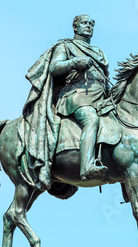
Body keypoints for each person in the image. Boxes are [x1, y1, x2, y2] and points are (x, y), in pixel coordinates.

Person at [20, 14, 111, 189]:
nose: (89, 26)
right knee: (91, 119)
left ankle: (126, 184)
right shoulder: (66, 46)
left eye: (92, 24)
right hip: (76, 96)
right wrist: (75, 62)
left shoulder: (99, 52)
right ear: (75, 27)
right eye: (84, 23)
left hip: (100, 97)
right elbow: (54, 68)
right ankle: (87, 167)